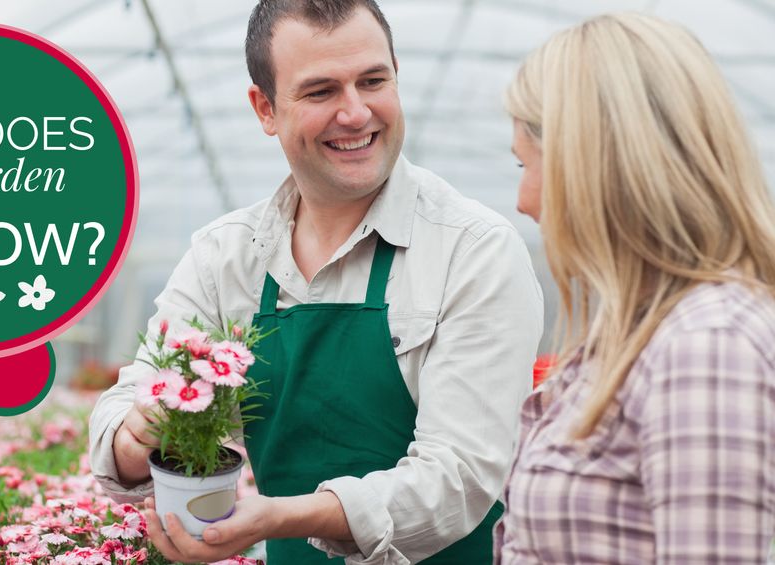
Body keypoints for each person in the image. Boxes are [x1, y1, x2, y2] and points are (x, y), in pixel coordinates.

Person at [89, 1, 544, 563]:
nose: (355, 114)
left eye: (373, 81)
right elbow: (124, 405)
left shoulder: (472, 249)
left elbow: (459, 478)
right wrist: (138, 437)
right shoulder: (226, 256)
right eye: (321, 91)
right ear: (265, 109)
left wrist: (280, 516)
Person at [496, 12, 775, 564]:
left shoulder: (707, 344)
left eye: (525, 165)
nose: (522, 200)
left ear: (591, 169)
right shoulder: (640, 332)